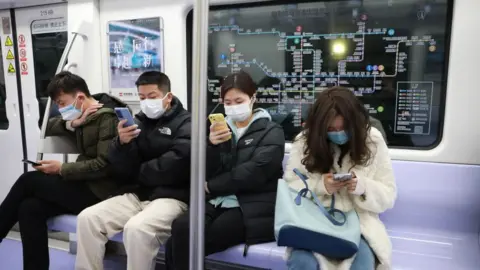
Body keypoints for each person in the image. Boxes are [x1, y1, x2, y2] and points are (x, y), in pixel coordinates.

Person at [0, 71, 126, 270]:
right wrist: (73, 123)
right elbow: (47, 126)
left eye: (61, 102)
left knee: (28, 180)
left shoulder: (107, 119)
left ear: (80, 97)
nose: (60, 108)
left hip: (102, 191)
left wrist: (61, 169)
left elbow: (105, 166)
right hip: (84, 184)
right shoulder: (84, 116)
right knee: (29, 208)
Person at [165, 70, 285, 270]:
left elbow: (254, 173)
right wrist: (211, 146)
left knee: (186, 244)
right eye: (227, 103)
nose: (233, 107)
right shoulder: (217, 129)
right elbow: (202, 168)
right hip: (217, 200)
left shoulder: (272, 131)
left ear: (253, 98)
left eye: (239, 101)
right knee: (181, 228)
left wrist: (210, 187)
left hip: (251, 204)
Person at [75, 71, 191, 270]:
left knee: (137, 229)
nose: (146, 102)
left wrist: (137, 172)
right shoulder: (138, 122)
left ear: (168, 97)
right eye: (142, 97)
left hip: (173, 196)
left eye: (152, 97)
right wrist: (121, 143)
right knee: (88, 218)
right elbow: (119, 167)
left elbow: (176, 164)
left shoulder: (187, 123)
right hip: (139, 193)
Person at [283, 86, 397, 270]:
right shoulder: (304, 142)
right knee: (302, 264)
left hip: (360, 224)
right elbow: (291, 189)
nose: (337, 133)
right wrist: (321, 187)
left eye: (343, 127)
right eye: (330, 129)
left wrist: (362, 187)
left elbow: (388, 195)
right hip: (313, 222)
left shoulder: (372, 141)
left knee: (362, 265)